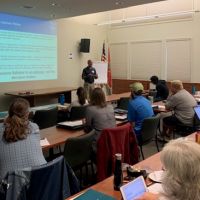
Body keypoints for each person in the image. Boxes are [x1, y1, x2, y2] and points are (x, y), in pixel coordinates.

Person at [0, 98, 46, 178]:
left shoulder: (1, 129)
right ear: (27, 114)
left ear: (9, 113)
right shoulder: (34, 127)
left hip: (9, 186)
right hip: (40, 180)